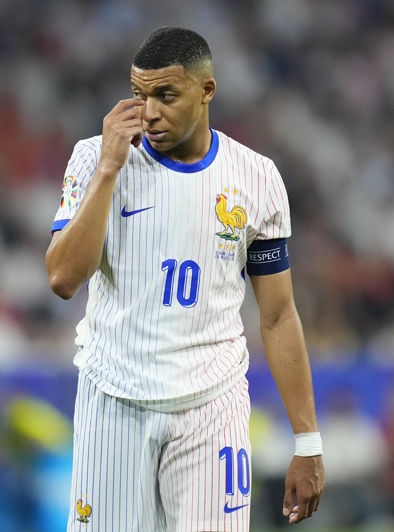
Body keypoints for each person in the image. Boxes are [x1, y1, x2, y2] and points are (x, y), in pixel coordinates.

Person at [45, 27, 324, 531]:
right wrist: (109, 168)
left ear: (206, 90)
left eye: (166, 95)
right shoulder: (94, 157)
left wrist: (307, 442)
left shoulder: (257, 177)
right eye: (139, 94)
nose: (148, 112)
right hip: (115, 400)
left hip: (211, 407)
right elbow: (63, 278)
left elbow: (279, 315)